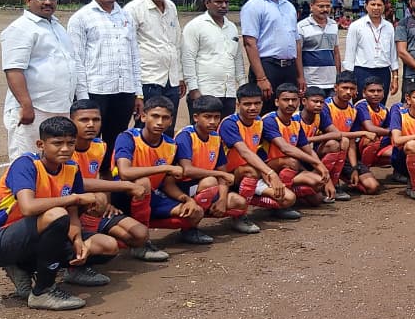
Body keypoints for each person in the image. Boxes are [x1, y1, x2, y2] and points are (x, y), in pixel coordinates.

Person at [0, 115, 104, 311]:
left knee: (106, 246)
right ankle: (43, 291)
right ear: (41, 144)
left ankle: (24, 267)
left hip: (36, 233)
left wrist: (78, 239)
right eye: (57, 143)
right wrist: (75, 198)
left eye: (70, 143)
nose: (65, 149)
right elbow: (28, 207)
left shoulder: (72, 168)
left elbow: (72, 213)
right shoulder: (26, 164)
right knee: (56, 215)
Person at [69, 99, 167, 263]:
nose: (91, 125)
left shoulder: (100, 145)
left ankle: (135, 245)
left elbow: (103, 174)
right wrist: (124, 186)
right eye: (84, 120)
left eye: (96, 120)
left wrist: (108, 203)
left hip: (95, 206)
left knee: (140, 234)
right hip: (71, 209)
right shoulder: (64, 148)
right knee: (98, 198)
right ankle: (78, 258)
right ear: (72, 122)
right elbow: (76, 183)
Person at [69, 0, 142, 163]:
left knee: (116, 138)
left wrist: (138, 92)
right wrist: (83, 98)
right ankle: (85, 174)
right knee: (88, 138)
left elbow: (134, 56)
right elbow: (76, 60)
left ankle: (109, 176)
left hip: (124, 90)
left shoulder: (126, 16)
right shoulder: (81, 18)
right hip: (95, 90)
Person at [1, 0, 79, 160]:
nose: (48, 2)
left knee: (55, 159)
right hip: (34, 108)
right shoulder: (20, 28)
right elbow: (13, 70)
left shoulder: (57, 27)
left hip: (61, 106)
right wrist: (26, 105)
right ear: (28, 0)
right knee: (27, 159)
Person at [111, 96, 205, 231]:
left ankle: (150, 224)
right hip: (122, 195)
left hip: (152, 195)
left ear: (171, 121)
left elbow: (168, 184)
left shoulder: (171, 145)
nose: (160, 122)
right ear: (143, 117)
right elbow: (125, 173)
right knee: (143, 182)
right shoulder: (128, 137)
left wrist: (187, 199)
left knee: (195, 212)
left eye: (165, 118)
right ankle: (141, 235)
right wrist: (165, 167)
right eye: (155, 116)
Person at [174, 95, 252, 243]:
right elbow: (187, 170)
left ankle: (235, 219)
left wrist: (222, 199)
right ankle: (189, 228)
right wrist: (217, 174)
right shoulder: (186, 136)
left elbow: (223, 172)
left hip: (206, 186)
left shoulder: (215, 137)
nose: (212, 121)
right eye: (207, 117)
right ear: (196, 117)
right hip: (183, 188)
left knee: (239, 202)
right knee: (210, 181)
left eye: (216, 117)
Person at [218, 83, 296, 225]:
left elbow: (258, 151)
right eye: (247, 104)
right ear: (238, 105)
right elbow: (245, 152)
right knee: (250, 170)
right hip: (229, 176)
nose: (253, 107)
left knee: (288, 199)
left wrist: (266, 175)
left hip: (252, 175)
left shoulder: (259, 122)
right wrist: (270, 173)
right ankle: (239, 216)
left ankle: (250, 199)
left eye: (257, 103)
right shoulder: (229, 123)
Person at [240, 0, 303, 113]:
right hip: (267, 67)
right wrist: (261, 78)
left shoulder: (289, 6)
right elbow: (249, 43)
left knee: (288, 112)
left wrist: (300, 75)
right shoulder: (253, 6)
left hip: (289, 67)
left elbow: (296, 42)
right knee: (265, 112)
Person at [125, 0, 184, 124]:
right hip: (147, 80)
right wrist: (136, 90)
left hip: (171, 80)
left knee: (167, 125)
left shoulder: (171, 7)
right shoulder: (133, 9)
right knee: (146, 125)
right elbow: (126, 48)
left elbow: (176, 43)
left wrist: (180, 76)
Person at [262, 83, 334, 205]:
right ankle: (281, 201)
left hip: (289, 167)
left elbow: (308, 150)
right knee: (292, 161)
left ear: (299, 102)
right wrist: (317, 164)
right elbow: (285, 148)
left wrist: (326, 175)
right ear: (277, 102)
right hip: (267, 167)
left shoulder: (295, 122)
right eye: (286, 100)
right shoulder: (270, 120)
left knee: (318, 189)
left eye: (294, 100)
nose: (290, 103)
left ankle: (291, 193)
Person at [182, 0, 246, 119]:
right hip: (204, 91)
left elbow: (237, 58)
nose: (223, 6)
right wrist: (193, 89)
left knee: (226, 129)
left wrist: (242, 86)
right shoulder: (195, 26)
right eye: (218, 2)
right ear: (207, 3)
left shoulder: (232, 28)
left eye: (226, 2)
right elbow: (188, 58)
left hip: (228, 93)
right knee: (203, 130)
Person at [344, 0, 400, 104]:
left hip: (383, 72)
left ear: (384, 6)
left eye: (379, 5)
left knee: (380, 106)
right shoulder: (356, 26)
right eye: (373, 4)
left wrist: (395, 77)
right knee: (361, 106)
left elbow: (393, 54)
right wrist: (350, 81)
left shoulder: (389, 27)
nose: (376, 8)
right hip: (362, 72)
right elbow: (350, 55)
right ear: (366, 6)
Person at [298, 0, 342, 92]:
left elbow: (336, 52)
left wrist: (338, 76)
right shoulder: (301, 27)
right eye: (321, 6)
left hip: (331, 81)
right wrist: (300, 77)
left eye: (327, 6)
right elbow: (298, 55)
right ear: (311, 6)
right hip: (311, 81)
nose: (325, 9)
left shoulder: (333, 25)